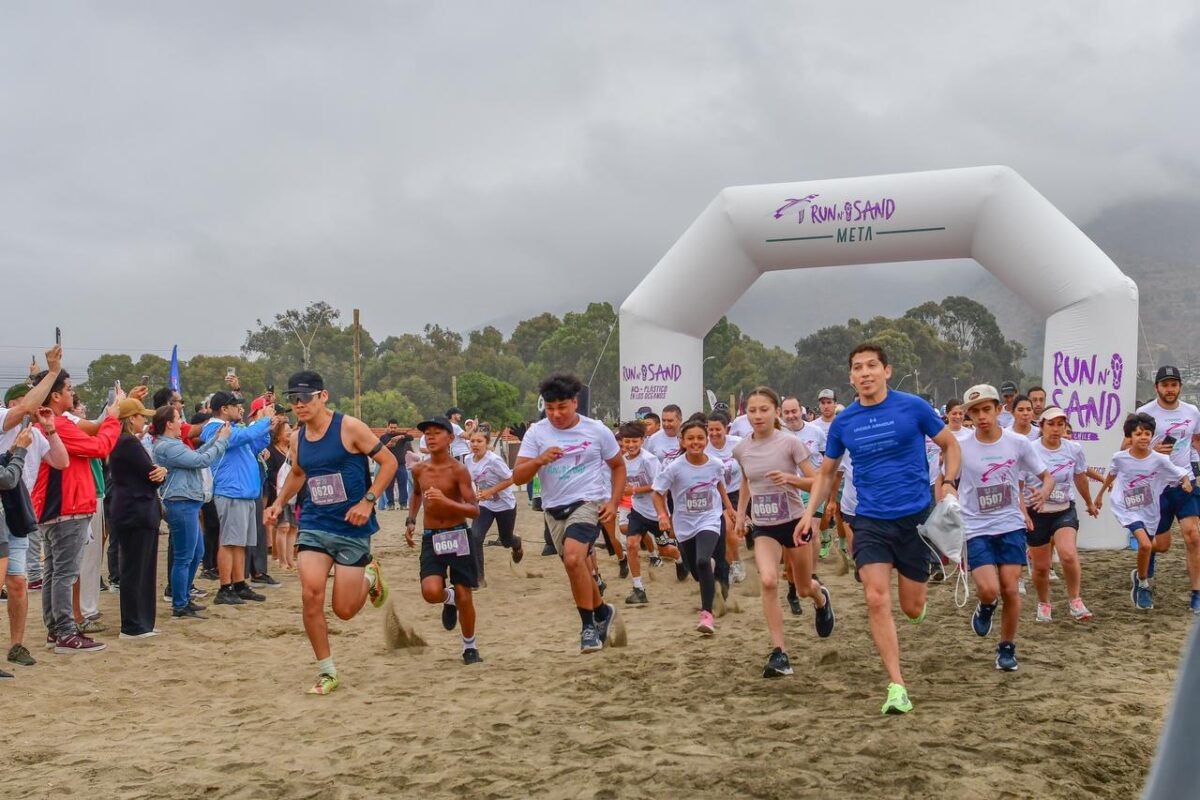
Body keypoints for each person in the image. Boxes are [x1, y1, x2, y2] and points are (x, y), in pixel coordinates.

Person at [796, 343, 961, 715]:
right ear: (851, 377)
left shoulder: (913, 407)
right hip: (869, 520)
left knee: (912, 606)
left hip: (915, 519)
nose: (865, 372)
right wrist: (809, 514)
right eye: (858, 367)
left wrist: (949, 480)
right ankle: (897, 685)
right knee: (874, 597)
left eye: (872, 365)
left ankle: (917, 608)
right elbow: (827, 473)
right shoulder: (844, 422)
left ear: (887, 371)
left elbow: (950, 445)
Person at [267, 371, 395, 694]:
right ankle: (327, 671)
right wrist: (279, 501)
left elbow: (390, 463)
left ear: (323, 397)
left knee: (345, 610)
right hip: (314, 523)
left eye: (305, 398)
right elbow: (298, 473)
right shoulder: (297, 438)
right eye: (294, 399)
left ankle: (371, 576)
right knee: (311, 594)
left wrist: (368, 501)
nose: (299, 405)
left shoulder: (349, 428)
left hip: (352, 527)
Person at [513, 373, 626, 653]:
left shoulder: (596, 429)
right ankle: (601, 613)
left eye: (562, 407)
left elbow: (618, 466)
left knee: (575, 559)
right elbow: (518, 477)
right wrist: (539, 460)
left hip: (588, 503)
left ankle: (588, 628)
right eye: (550, 409)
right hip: (554, 510)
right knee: (576, 567)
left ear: (575, 403)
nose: (556, 414)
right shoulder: (537, 432)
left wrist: (613, 503)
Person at [733, 387, 834, 678]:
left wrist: (790, 478)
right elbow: (745, 481)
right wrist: (741, 515)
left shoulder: (790, 443)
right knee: (767, 580)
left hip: (794, 523)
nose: (757, 415)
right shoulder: (741, 448)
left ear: (776, 412)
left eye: (764, 409)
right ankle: (780, 653)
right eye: (752, 410)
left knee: (803, 587)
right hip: (763, 526)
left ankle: (821, 599)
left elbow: (817, 483)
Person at [956, 385, 1052, 672]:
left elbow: (1046, 476)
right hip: (975, 526)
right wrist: (945, 500)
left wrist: (1044, 492)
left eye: (987, 409)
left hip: (1010, 523)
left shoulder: (1018, 443)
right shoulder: (961, 447)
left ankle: (1006, 647)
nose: (982, 416)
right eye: (975, 411)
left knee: (1010, 589)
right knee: (989, 589)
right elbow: (944, 481)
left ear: (1000, 409)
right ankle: (986, 606)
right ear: (968, 415)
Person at [30, 369, 121, 654]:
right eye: (68, 388)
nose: (73, 393)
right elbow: (100, 445)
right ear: (55, 395)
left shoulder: (51, 423)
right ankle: (66, 632)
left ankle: (56, 629)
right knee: (65, 573)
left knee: (55, 571)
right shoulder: (58, 424)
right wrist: (114, 417)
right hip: (67, 505)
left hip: (58, 506)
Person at [2, 375, 69, 670]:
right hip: (2, 507)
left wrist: (51, 430)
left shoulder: (34, 432)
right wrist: (53, 371)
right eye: (31, 400)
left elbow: (61, 461)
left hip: (17, 512)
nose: (37, 405)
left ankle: (16, 645)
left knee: (18, 581)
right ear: (16, 404)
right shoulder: (4, 419)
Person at [405, 416, 482, 664]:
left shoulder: (458, 470)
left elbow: (474, 510)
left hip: (458, 534)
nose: (430, 436)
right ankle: (449, 599)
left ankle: (469, 647)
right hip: (431, 537)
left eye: (437, 432)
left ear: (450, 438)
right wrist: (411, 519)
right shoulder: (419, 469)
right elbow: (416, 495)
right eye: (427, 433)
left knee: (465, 594)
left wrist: (446, 501)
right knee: (430, 592)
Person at [1098, 412, 1193, 610]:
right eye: (1139, 433)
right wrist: (1098, 496)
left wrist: (1185, 482)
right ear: (1130, 437)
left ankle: (1138, 577)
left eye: (1147, 434)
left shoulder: (1159, 459)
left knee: (1148, 545)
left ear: (1152, 436)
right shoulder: (1120, 457)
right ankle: (1143, 584)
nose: (1143, 437)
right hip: (1126, 506)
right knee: (1145, 545)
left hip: (1149, 508)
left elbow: (1180, 472)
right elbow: (1112, 474)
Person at [652, 416, 735, 635]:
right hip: (684, 524)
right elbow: (657, 493)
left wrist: (728, 508)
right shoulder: (675, 467)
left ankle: (706, 615)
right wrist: (662, 515)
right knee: (697, 571)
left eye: (700, 438)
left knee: (702, 560)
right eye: (691, 439)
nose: (696, 442)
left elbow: (719, 485)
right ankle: (710, 574)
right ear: (683, 442)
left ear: (706, 440)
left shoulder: (715, 464)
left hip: (709, 519)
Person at [152, 405, 231, 619]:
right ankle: (179, 603)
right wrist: (222, 441)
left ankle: (184, 597)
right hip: (181, 503)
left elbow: (197, 454)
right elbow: (200, 461)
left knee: (196, 552)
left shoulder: (172, 444)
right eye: (178, 418)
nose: (182, 423)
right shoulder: (168, 447)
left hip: (188, 502)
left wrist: (216, 439)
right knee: (184, 556)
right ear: (168, 423)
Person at [1134, 366, 1200, 613]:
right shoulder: (1144, 413)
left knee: (1193, 536)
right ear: (1156, 387)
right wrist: (1151, 451)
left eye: (1174, 384)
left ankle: (1197, 593)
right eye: (1165, 385)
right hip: (1156, 486)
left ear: (1180, 386)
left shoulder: (1192, 411)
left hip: (1185, 481)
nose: (1170, 389)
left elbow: (1196, 440)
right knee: (1159, 545)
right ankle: (1142, 579)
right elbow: (1131, 448)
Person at [202, 391, 275, 606]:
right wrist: (262, 421)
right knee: (229, 542)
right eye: (235, 406)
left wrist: (266, 428)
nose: (239, 409)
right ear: (224, 409)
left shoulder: (232, 428)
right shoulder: (214, 429)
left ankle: (239, 583)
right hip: (231, 491)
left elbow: (253, 444)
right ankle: (225, 587)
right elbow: (240, 438)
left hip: (243, 492)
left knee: (240, 543)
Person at [1025, 407, 1098, 622]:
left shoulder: (1074, 449)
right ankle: (1044, 603)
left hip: (1063, 509)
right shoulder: (1029, 449)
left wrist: (1089, 503)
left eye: (1060, 424)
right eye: (1051, 424)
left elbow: (1080, 478)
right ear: (1041, 426)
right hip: (1036, 511)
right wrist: (1022, 511)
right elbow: (1017, 483)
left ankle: (1075, 600)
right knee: (1041, 567)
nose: (1056, 429)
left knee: (1067, 553)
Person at [107, 399, 167, 638]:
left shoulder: (122, 442)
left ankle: (142, 622)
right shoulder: (128, 442)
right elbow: (151, 473)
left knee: (140, 568)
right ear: (131, 418)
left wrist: (159, 471)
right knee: (136, 569)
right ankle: (133, 625)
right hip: (136, 510)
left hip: (133, 509)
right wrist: (161, 472)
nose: (145, 420)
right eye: (141, 416)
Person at [466, 429, 523, 582]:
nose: (475, 444)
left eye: (479, 441)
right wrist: (475, 496)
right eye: (472, 441)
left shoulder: (494, 460)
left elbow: (512, 479)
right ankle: (479, 578)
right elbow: (471, 481)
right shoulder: (467, 460)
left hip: (505, 505)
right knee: (475, 537)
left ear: (487, 443)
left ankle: (516, 543)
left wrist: (490, 491)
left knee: (505, 541)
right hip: (485, 505)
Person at [617, 420, 665, 605]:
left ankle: (678, 560)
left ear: (642, 440)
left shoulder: (649, 460)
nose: (630, 445)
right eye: (626, 442)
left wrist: (634, 491)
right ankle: (638, 588)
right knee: (631, 545)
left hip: (656, 510)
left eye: (634, 441)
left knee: (667, 549)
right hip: (637, 511)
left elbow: (658, 485)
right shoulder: (621, 461)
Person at [0, 425, 31, 678]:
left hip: (11, 523)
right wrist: (20, 451)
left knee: (17, 582)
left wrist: (10, 453)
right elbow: (7, 480)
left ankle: (16, 646)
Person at [706, 412, 745, 583]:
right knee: (723, 531)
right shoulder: (704, 447)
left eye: (717, 429)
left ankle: (735, 562)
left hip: (736, 491)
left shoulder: (736, 444)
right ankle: (728, 565)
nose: (713, 433)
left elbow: (748, 467)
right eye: (710, 429)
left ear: (726, 429)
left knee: (729, 528)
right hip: (713, 494)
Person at [263, 417, 297, 571]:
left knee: (293, 527)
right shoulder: (271, 451)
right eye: (286, 431)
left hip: (293, 493)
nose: (289, 433)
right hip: (277, 493)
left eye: (290, 431)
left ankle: (290, 560)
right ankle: (282, 560)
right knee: (282, 527)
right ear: (277, 434)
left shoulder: (292, 449)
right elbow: (269, 472)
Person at [379, 420, 413, 510]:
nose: (393, 429)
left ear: (397, 427)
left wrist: (401, 436)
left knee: (403, 484)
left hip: (401, 464)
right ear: (387, 427)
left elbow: (411, 437)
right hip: (388, 465)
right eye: (391, 427)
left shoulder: (401, 436)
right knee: (389, 485)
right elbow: (378, 450)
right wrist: (387, 446)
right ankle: (390, 504)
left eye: (395, 427)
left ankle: (403, 504)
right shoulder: (383, 437)